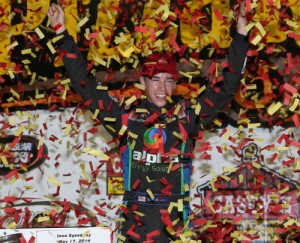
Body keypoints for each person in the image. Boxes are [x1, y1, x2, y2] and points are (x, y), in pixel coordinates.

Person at [47, 2, 250, 242]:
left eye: (168, 80)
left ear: (176, 84)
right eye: (155, 79)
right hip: (135, 228)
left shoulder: (188, 116)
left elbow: (227, 86)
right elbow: (85, 84)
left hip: (174, 228)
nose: (162, 88)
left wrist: (241, 34)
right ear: (143, 81)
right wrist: (61, 31)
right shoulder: (127, 117)